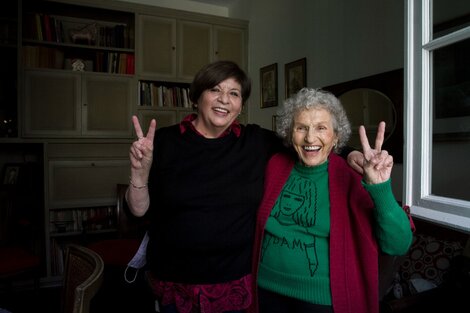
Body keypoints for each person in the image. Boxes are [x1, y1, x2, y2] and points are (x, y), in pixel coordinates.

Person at [126, 61, 363, 313]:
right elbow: (139, 212)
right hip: (174, 282)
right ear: (196, 98)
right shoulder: (163, 141)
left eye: (234, 93)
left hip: (234, 284)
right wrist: (139, 173)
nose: (224, 100)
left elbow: (306, 143)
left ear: (240, 106)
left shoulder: (256, 142)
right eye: (215, 90)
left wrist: (351, 154)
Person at [250, 87, 414, 313]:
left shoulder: (352, 176)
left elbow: (398, 243)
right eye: (301, 128)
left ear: (336, 137)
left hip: (321, 299)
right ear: (290, 133)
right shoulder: (275, 165)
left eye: (321, 128)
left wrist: (381, 188)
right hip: (265, 290)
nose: (310, 137)